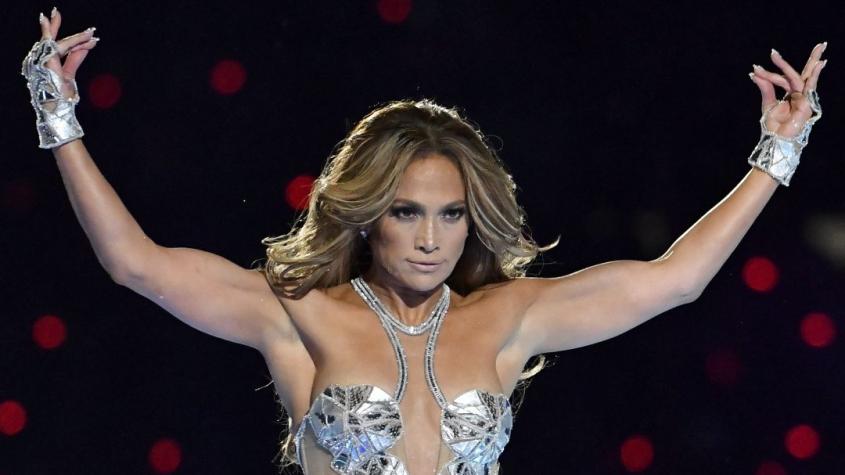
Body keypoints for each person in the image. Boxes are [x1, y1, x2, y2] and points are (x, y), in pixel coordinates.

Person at [22, 8, 826, 475]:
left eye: (450, 214)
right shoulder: (299, 313)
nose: (430, 239)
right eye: (406, 212)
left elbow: (676, 279)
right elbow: (134, 263)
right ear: (368, 214)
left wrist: (777, 150)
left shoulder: (508, 317)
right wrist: (58, 115)